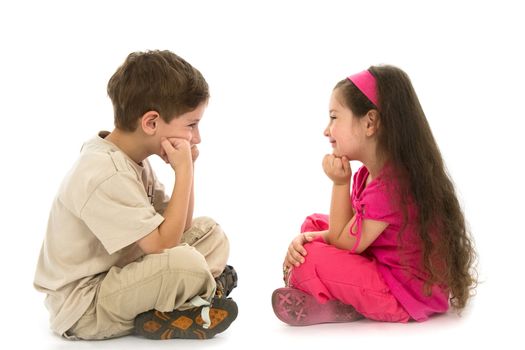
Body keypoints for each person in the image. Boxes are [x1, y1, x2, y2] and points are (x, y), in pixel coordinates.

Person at [34, 50, 238, 340]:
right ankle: (192, 297)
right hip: (86, 307)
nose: (197, 137)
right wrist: (184, 173)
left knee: (211, 233)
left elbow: (182, 224)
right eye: (191, 125)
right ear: (151, 122)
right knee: (186, 264)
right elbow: (163, 244)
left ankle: (185, 299)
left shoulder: (134, 159)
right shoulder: (105, 172)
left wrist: (188, 168)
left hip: (122, 271)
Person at [272, 65, 477, 325]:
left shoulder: (391, 188)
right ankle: (339, 298)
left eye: (334, 117)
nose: (327, 130)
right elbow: (346, 233)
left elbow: (343, 242)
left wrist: (339, 183)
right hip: (382, 262)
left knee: (308, 258)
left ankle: (345, 304)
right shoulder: (368, 175)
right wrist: (309, 236)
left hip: (401, 296)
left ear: (369, 122)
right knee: (312, 224)